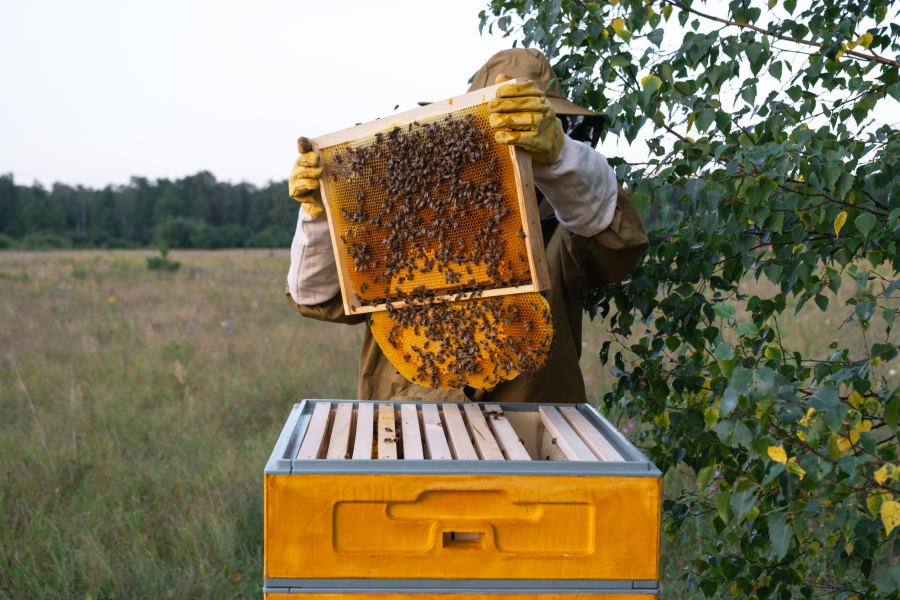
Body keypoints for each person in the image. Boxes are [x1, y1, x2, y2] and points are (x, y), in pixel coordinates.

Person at [285, 48, 648, 404]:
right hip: (409, 424)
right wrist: (320, 217)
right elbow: (315, 295)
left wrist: (560, 157)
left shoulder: (567, 226)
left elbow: (615, 243)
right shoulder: (404, 215)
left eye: (525, 127)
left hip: (527, 433)